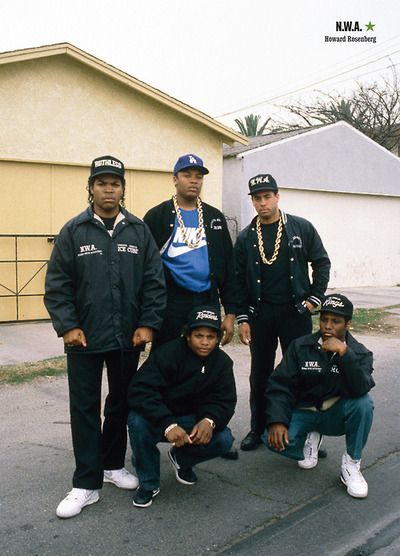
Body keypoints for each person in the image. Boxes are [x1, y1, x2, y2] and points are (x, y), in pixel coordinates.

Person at [44, 155, 166, 518]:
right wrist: (68, 326)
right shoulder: (73, 231)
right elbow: (57, 285)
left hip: (127, 338)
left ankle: (113, 466)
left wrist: (148, 324)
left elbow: (154, 283)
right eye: (101, 183)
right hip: (83, 338)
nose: (108, 189)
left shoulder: (139, 231)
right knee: (84, 409)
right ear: (91, 188)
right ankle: (86, 483)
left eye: (115, 183)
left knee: (120, 403)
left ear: (123, 188)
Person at [235, 174, 331, 451]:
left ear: (278, 196)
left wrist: (314, 299)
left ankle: (304, 430)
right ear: (252, 201)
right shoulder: (245, 238)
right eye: (257, 198)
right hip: (261, 314)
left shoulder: (301, 228)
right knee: (261, 374)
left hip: (295, 312)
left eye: (267, 196)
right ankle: (259, 428)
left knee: (303, 371)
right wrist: (243, 317)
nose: (263, 203)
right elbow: (238, 280)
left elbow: (321, 263)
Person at [127, 305, 237, 508]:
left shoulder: (222, 363)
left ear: (218, 338)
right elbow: (140, 390)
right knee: (136, 420)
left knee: (224, 438)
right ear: (187, 335)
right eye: (199, 335)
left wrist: (210, 420)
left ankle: (182, 458)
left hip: (193, 420)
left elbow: (225, 400)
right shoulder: (167, 354)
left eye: (211, 337)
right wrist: (167, 424)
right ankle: (149, 483)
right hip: (162, 418)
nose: (205, 342)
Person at [266, 294, 374, 498]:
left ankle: (351, 464)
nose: (328, 326)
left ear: (348, 324)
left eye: (336, 321)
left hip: (335, 416)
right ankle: (310, 437)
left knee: (364, 404)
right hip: (305, 412)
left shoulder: (360, 353)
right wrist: (278, 421)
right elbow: (279, 384)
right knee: (269, 437)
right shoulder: (300, 346)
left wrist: (345, 354)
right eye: (324, 319)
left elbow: (360, 388)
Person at [143, 153, 237, 350]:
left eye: (199, 176)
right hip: (171, 302)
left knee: (203, 356)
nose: (194, 180)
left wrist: (230, 313)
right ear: (175, 179)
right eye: (187, 175)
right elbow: (144, 269)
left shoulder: (215, 217)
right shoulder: (156, 216)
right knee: (167, 357)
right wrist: (147, 317)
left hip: (206, 300)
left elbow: (229, 267)